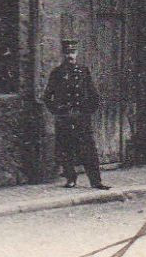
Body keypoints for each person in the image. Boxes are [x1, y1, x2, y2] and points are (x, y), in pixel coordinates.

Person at [43, 41, 108, 190]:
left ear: (77, 54)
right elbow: (47, 97)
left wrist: (88, 111)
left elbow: (94, 94)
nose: (70, 56)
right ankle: (70, 179)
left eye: (73, 52)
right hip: (65, 118)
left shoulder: (83, 71)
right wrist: (58, 112)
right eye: (67, 53)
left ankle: (96, 181)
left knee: (88, 149)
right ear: (63, 54)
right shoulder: (57, 73)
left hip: (81, 118)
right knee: (66, 149)